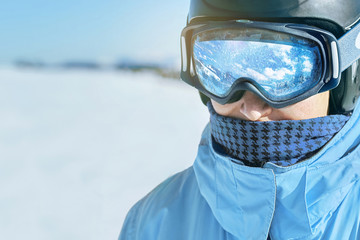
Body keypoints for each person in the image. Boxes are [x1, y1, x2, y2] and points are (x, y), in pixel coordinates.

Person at [120, 0, 360, 239]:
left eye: (285, 73)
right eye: (222, 69)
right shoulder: (150, 225)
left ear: (348, 77)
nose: (252, 110)